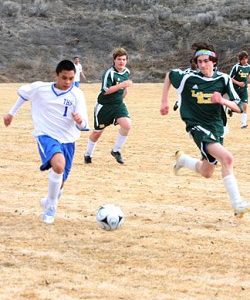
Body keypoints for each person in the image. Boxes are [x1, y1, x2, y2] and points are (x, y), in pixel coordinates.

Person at [160, 42, 250, 217]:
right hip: (196, 126)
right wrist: (164, 101)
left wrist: (222, 101)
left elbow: (240, 107)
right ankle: (237, 203)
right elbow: (170, 75)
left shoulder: (223, 79)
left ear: (214, 61)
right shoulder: (188, 78)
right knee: (227, 158)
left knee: (207, 172)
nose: (202, 65)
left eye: (206, 61)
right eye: (199, 62)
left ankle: (183, 161)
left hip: (216, 127)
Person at [3, 60, 89, 224]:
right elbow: (23, 95)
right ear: (56, 75)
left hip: (68, 140)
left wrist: (79, 121)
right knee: (58, 165)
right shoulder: (40, 88)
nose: (68, 82)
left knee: (61, 180)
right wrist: (11, 113)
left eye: (71, 78)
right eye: (64, 78)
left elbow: (84, 124)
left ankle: (49, 200)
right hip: (46, 134)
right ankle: (51, 208)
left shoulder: (77, 94)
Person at [84, 47, 133, 164]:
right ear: (114, 60)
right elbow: (105, 90)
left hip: (118, 105)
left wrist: (124, 93)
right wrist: (122, 85)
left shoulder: (126, 72)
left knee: (127, 125)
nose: (122, 62)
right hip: (104, 106)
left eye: (124, 59)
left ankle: (116, 150)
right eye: (119, 59)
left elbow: (124, 88)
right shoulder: (109, 73)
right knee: (97, 132)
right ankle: (88, 154)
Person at [229, 51, 250, 128]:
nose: (245, 61)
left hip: (244, 89)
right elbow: (230, 78)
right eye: (243, 59)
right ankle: (231, 109)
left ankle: (243, 124)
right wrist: (238, 83)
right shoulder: (236, 67)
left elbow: (248, 76)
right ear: (240, 60)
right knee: (237, 106)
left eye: (246, 59)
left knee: (245, 105)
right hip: (235, 89)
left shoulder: (248, 67)